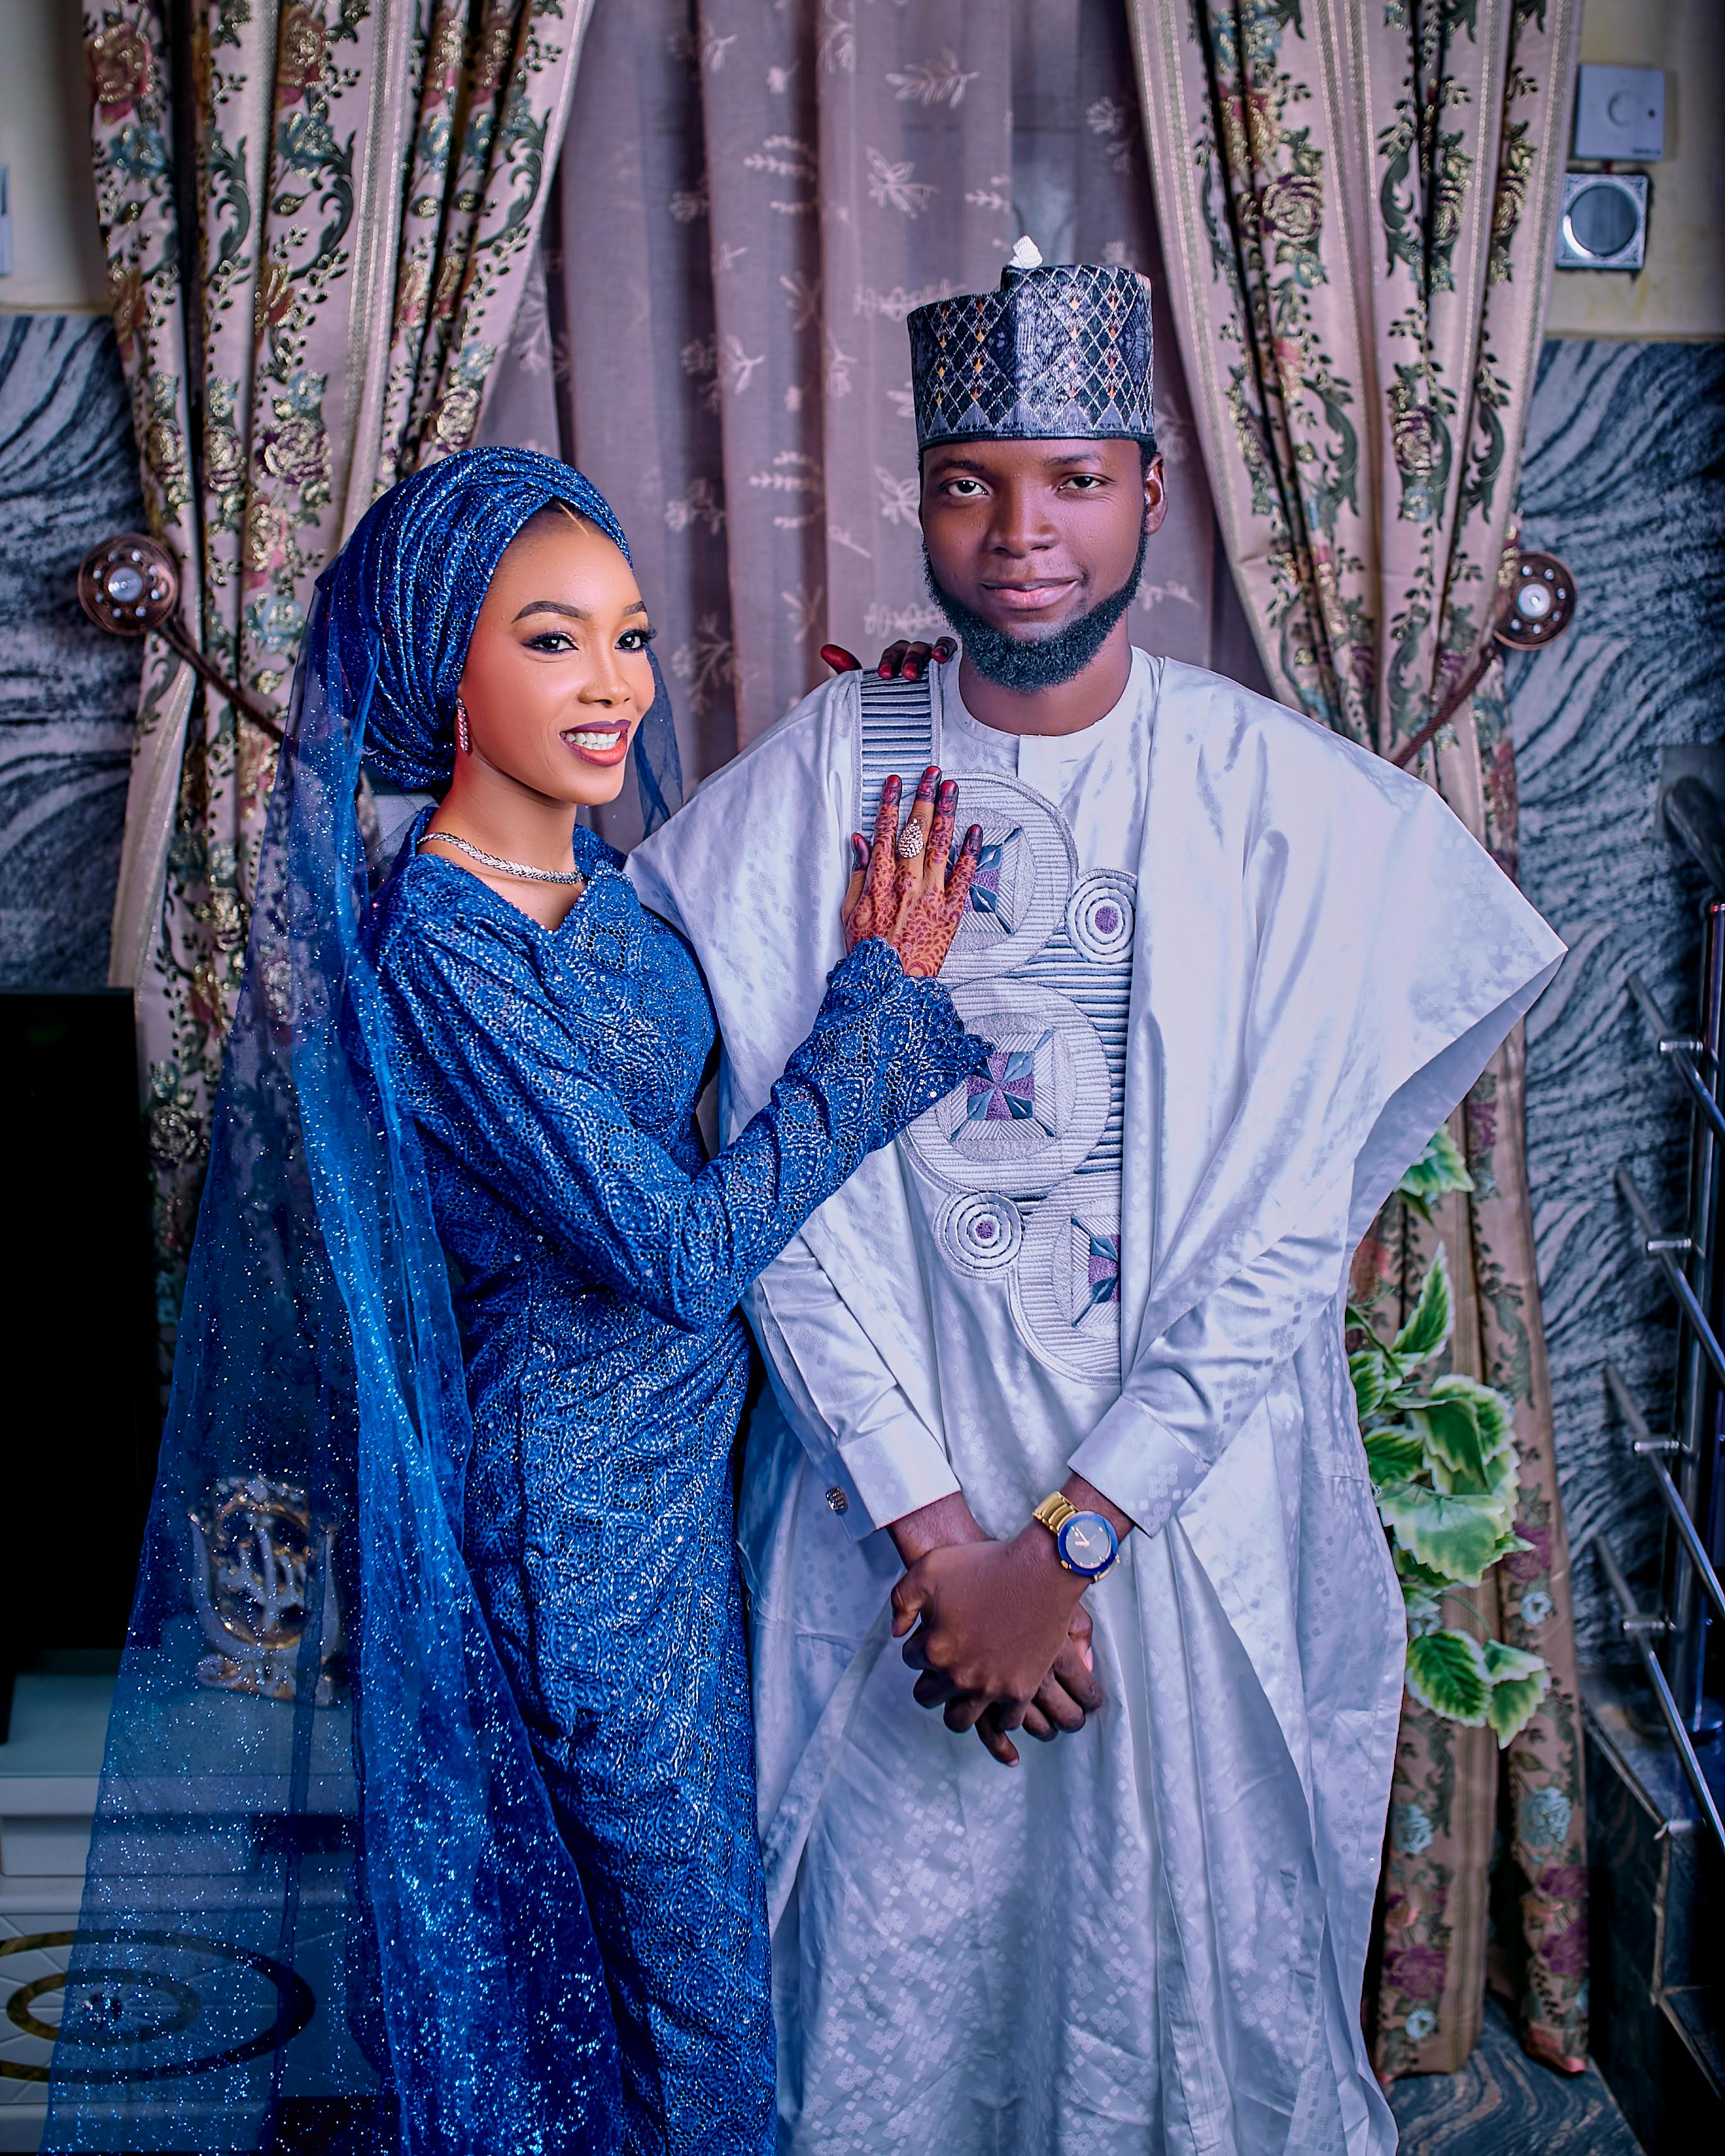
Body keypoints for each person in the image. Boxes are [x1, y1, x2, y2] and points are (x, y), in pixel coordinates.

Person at [628, 249, 1565, 2153]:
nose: (1022, 534)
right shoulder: (833, 776)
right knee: (895, 1987)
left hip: (1188, 1518)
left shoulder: (1292, 807)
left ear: (1151, 487)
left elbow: (1291, 1229)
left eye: (1072, 479)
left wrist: (1061, 1542)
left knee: (1192, 1999)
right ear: (927, 502)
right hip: (889, 1521)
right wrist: (941, 1531)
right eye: (973, 481)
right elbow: (768, 1189)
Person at [44, 448, 986, 2156]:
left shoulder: (613, 891)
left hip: (671, 1517)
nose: (615, 684)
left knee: (647, 1969)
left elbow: (711, 1020)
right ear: (443, 672)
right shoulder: (445, 948)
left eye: (627, 638)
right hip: (571, 1535)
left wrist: (892, 744)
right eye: (553, 641)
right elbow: (683, 1249)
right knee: (689, 1987)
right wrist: (882, 1017)